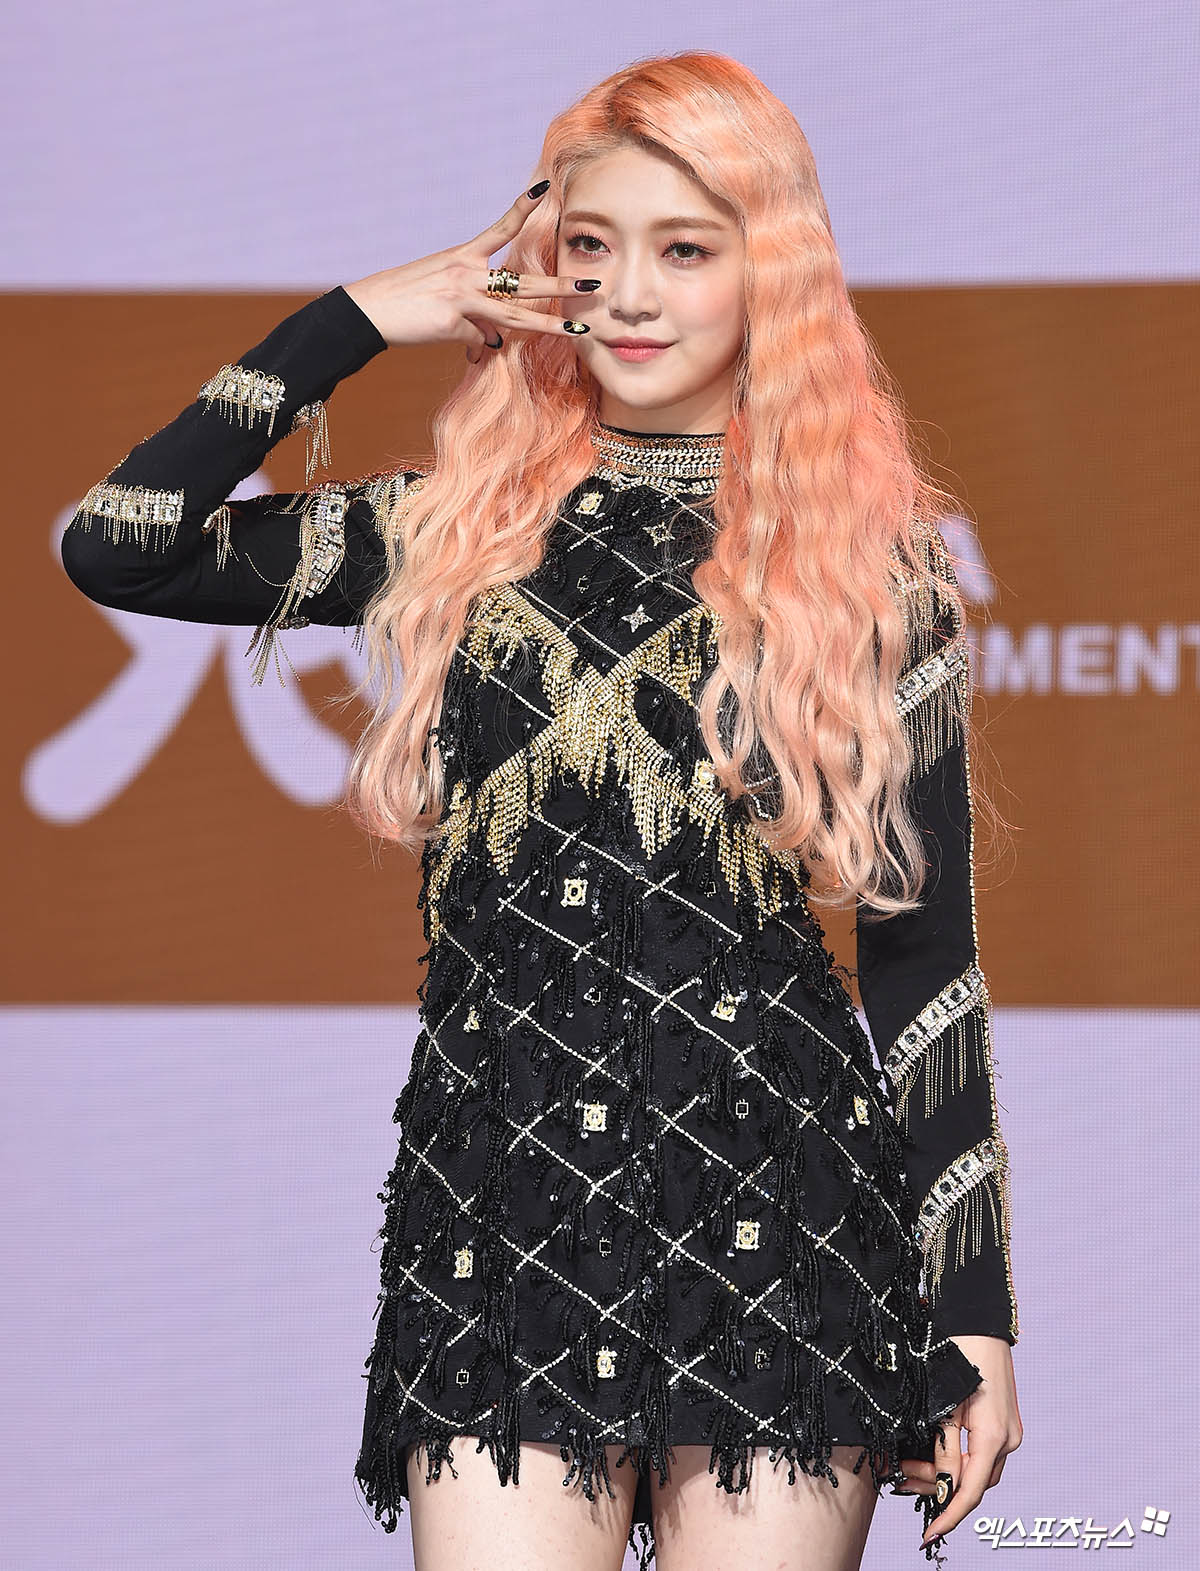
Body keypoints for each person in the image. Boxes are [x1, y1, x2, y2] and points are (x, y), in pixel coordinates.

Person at [61, 49, 1021, 1571]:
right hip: (499, 1206)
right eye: (590, 247)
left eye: (685, 250)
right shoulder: (454, 529)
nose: (627, 295)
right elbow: (121, 545)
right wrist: (358, 318)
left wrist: (974, 1318)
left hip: (781, 1210)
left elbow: (922, 959)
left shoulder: (867, 573)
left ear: (771, 274)